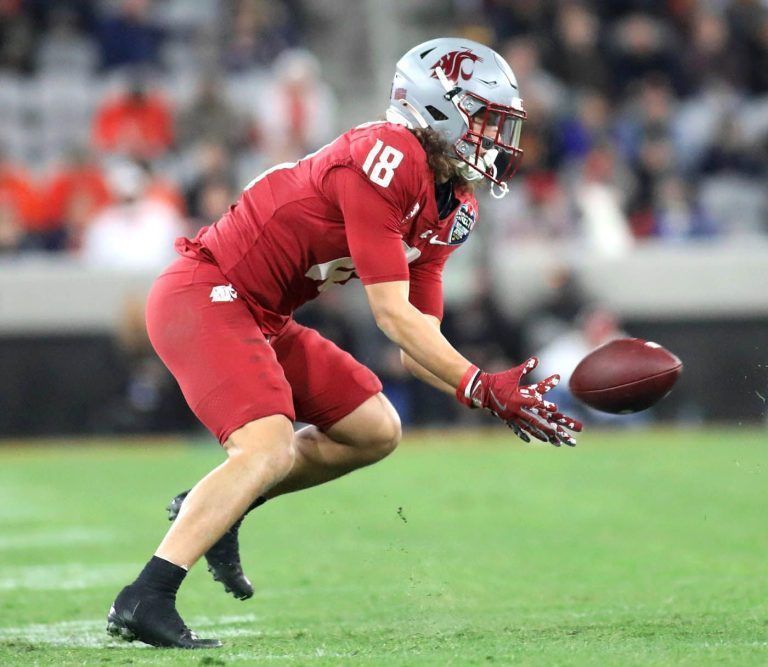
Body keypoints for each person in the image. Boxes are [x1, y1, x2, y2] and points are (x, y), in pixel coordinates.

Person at [106, 37, 582, 649]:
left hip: (264, 315)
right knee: (268, 447)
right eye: (486, 119)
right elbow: (388, 313)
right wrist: (481, 384)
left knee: (375, 428)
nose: (498, 138)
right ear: (440, 108)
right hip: (207, 292)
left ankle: (220, 504)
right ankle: (145, 595)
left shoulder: (452, 203)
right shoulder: (388, 154)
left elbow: (417, 341)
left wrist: (487, 394)